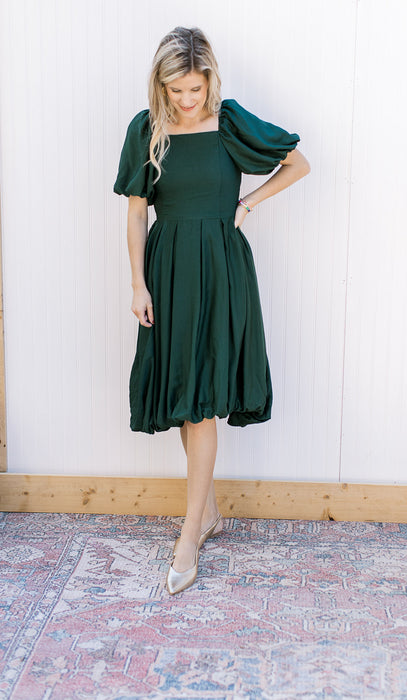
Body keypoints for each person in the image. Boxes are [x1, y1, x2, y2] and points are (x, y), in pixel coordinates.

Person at [113, 26, 310, 595]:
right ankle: (211, 512)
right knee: (183, 395)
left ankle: (188, 534)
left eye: (195, 88)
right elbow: (135, 213)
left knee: (201, 405)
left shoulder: (230, 122)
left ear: (209, 80)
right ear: (162, 83)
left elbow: (298, 165)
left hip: (221, 271)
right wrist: (137, 284)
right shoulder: (145, 129)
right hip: (169, 271)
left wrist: (247, 202)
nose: (187, 100)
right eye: (177, 90)